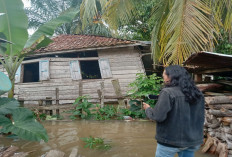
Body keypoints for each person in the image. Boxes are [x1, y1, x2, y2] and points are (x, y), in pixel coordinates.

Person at [143, 65, 205, 157]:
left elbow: (158, 117)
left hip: (170, 141)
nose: (163, 76)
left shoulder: (167, 92)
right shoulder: (198, 93)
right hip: (192, 141)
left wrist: (148, 109)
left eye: (164, 74)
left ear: (170, 77)